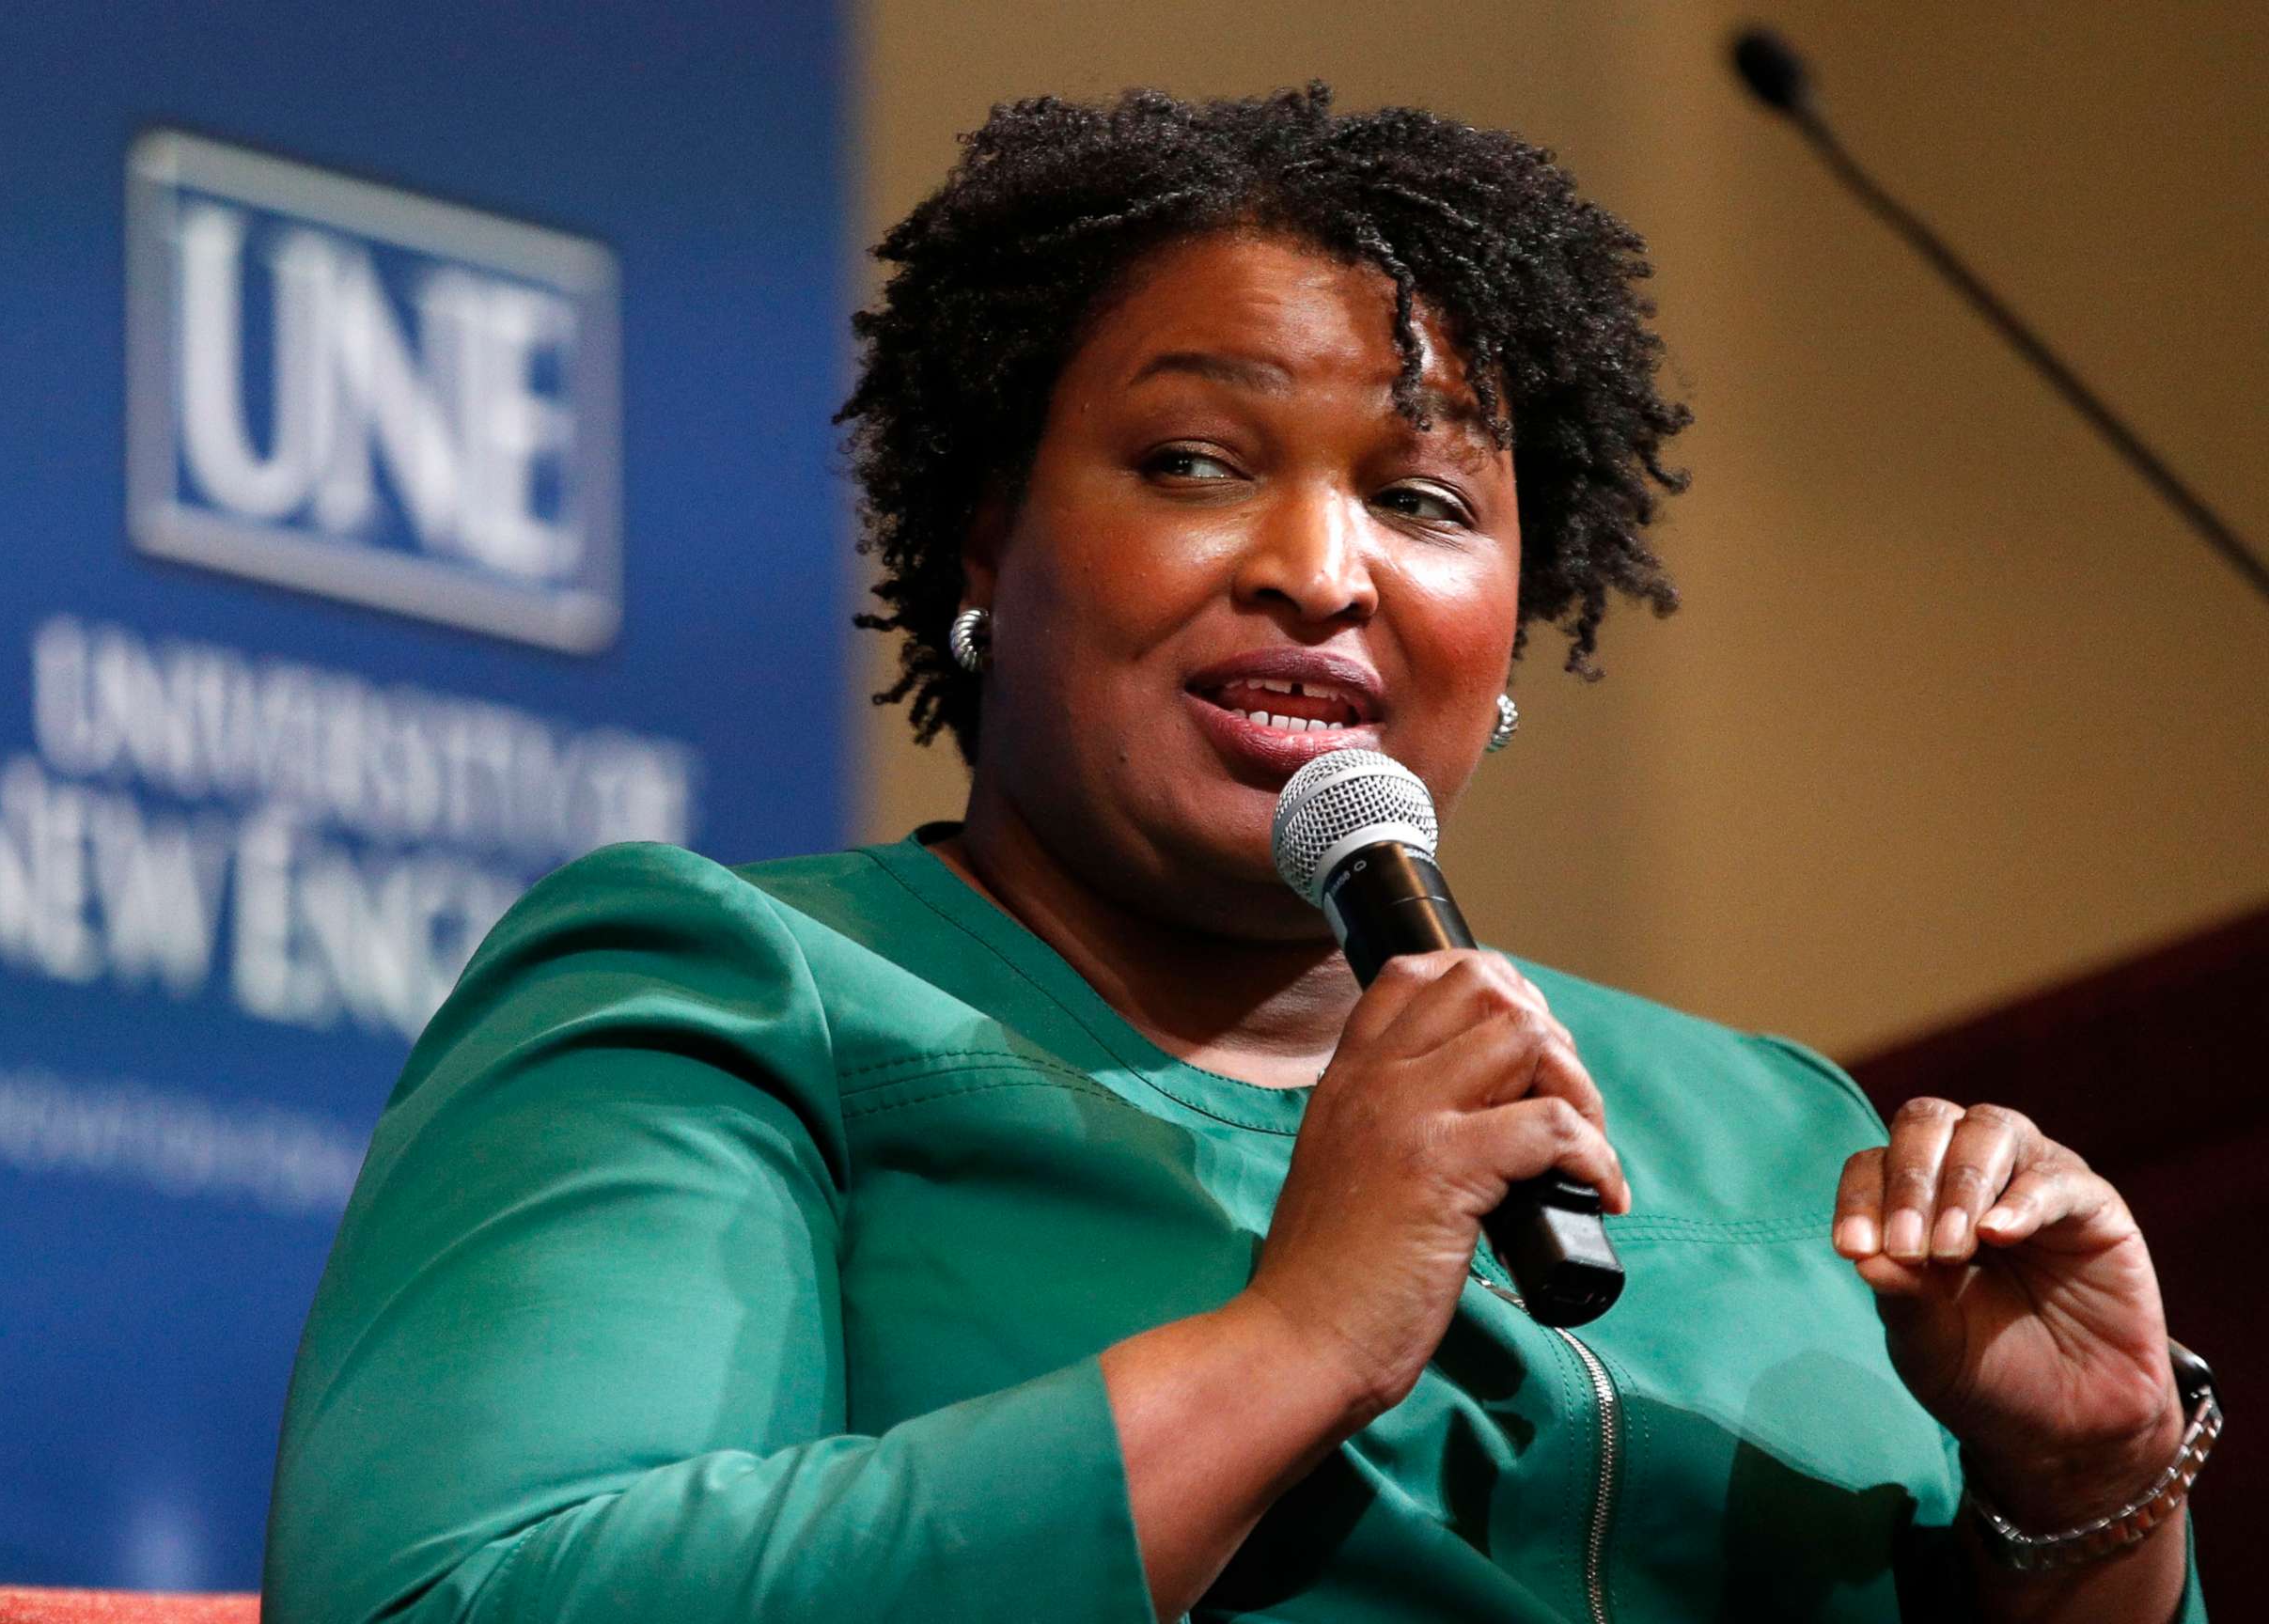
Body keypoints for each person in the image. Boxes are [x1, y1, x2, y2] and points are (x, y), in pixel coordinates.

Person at [262, 86, 2210, 1622]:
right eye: (1196, 463)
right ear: (983, 553)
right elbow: (461, 1597)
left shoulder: (1782, 1136)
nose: (1319, 568)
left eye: (1424, 496)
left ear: (1516, 625)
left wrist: (2091, 1488)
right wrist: (1295, 1341)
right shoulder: (733, 987)